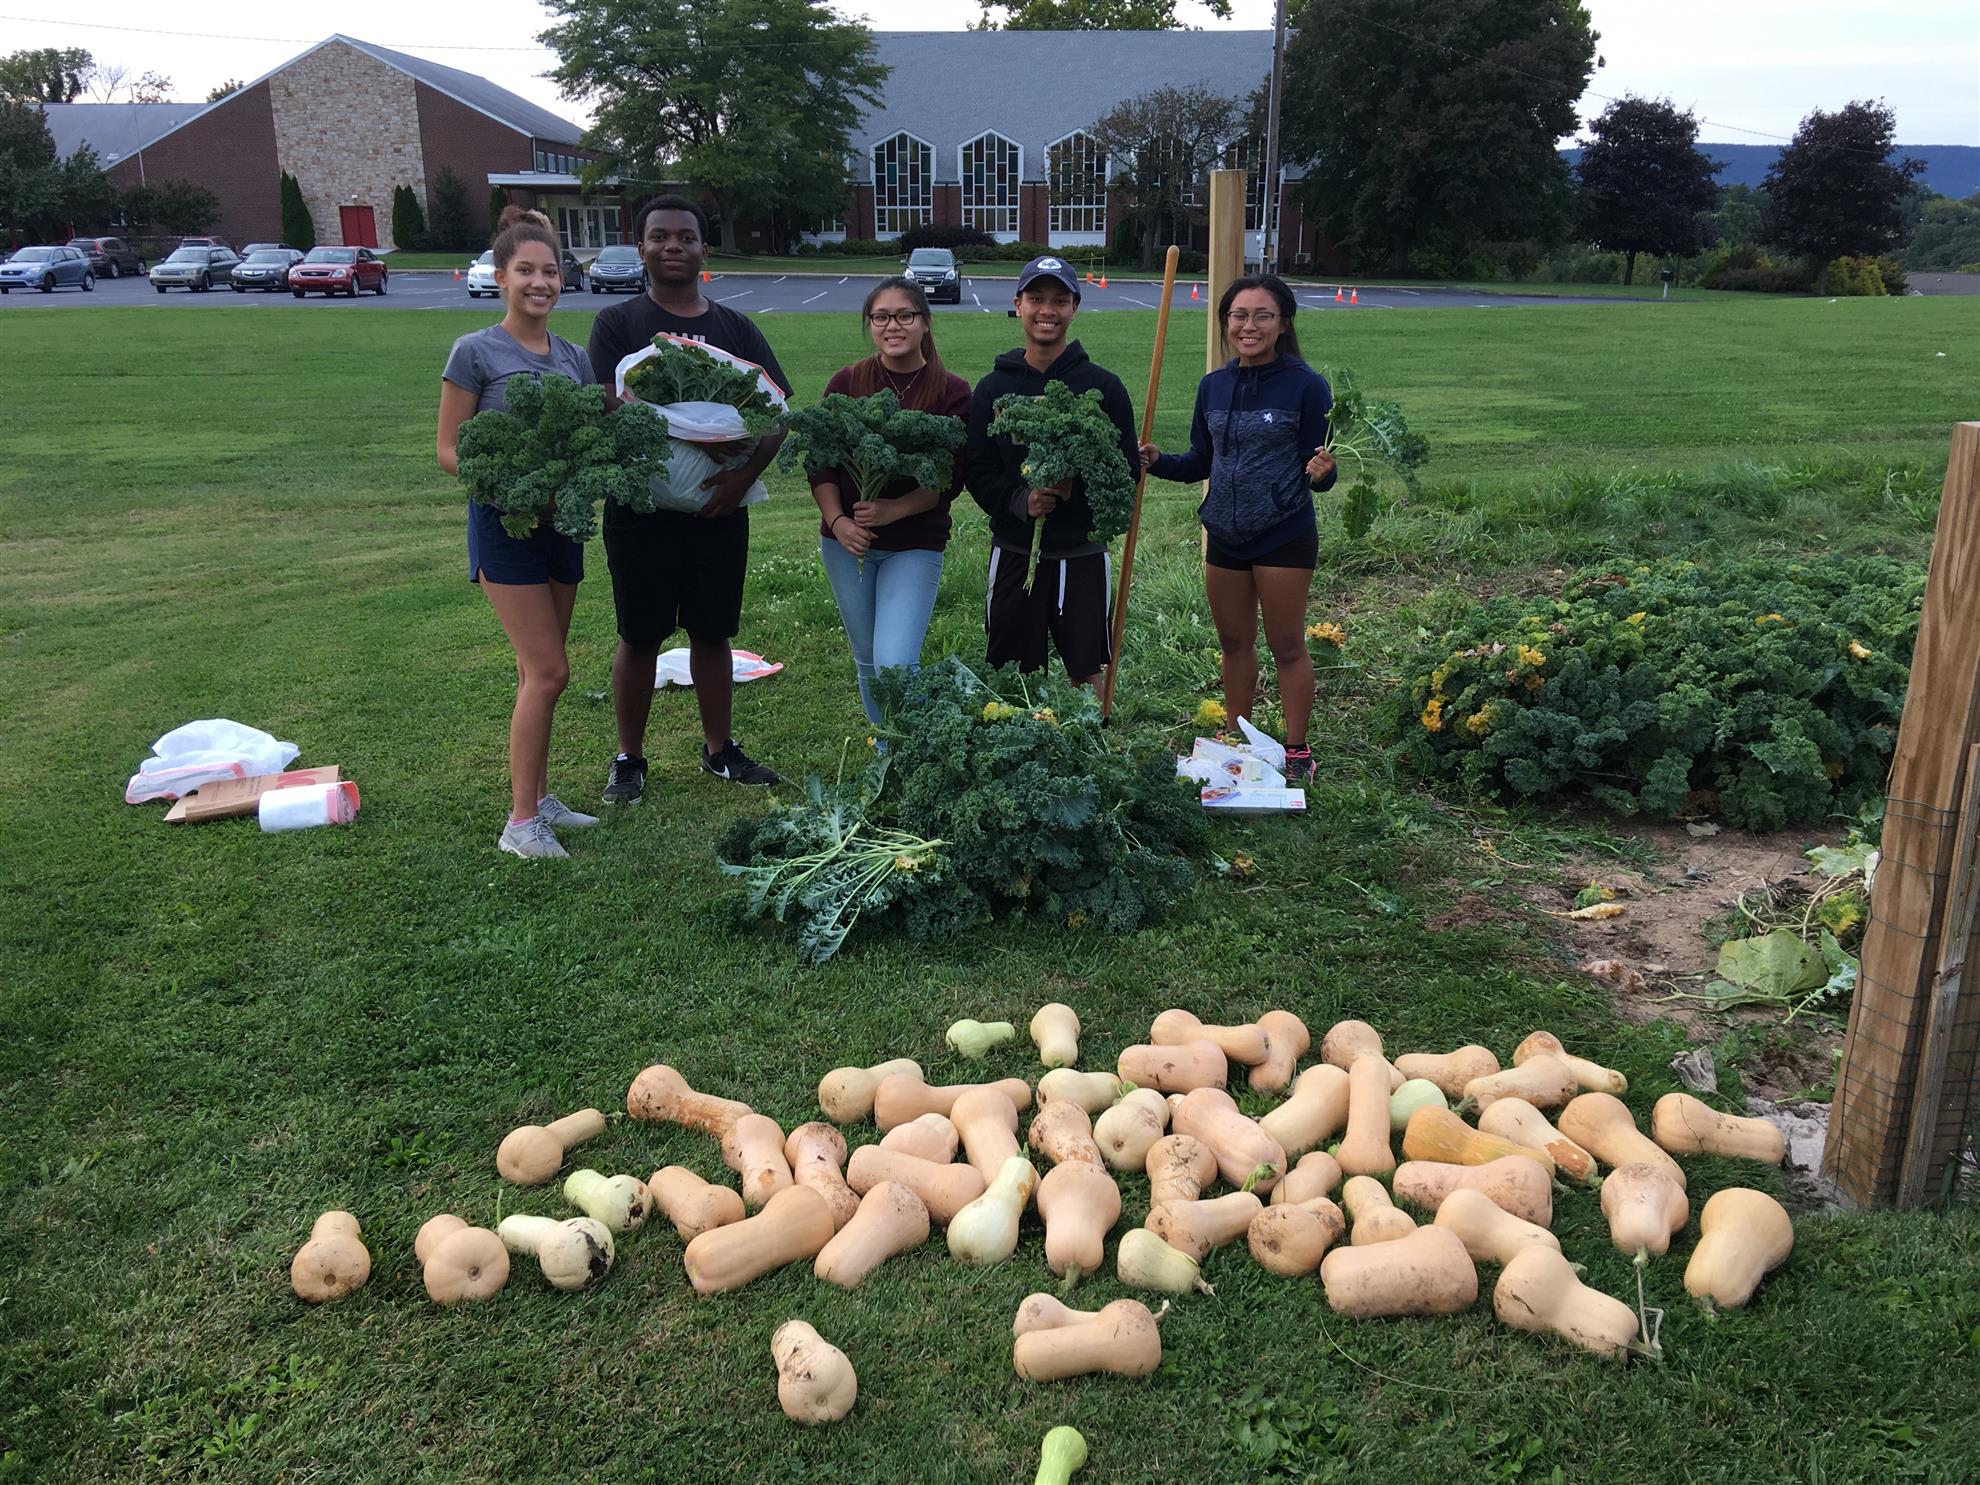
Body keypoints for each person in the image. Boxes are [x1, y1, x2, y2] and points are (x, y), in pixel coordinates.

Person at [586, 193, 793, 801]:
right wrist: (685, 437)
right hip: (640, 511)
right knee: (640, 635)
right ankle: (629, 757)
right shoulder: (617, 324)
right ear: (641, 245)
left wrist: (738, 477)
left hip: (718, 508)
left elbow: (776, 412)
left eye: (685, 236)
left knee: (712, 632)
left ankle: (719, 750)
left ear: (704, 249)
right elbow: (606, 403)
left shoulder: (734, 328)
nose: (672, 245)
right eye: (659, 236)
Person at [435, 206, 600, 859]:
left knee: (542, 671)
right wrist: (514, 487)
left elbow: (588, 441)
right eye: (525, 270)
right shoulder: (475, 352)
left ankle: (539, 794)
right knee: (548, 670)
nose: (540, 281)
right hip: (508, 527)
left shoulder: (574, 357)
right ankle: (520, 823)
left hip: (564, 525)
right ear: (499, 277)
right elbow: (449, 450)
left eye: (550, 270)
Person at [1138, 273, 1336, 782]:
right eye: (1238, 316)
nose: (1249, 326)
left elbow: (1318, 469)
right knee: (1233, 642)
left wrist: (1324, 474)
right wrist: (1158, 461)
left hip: (1283, 533)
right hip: (1224, 535)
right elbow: (1202, 461)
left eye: (1262, 315)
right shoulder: (1214, 385)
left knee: (1287, 644)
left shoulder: (1307, 386)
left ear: (1283, 323)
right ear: (1226, 322)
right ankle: (1237, 738)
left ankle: (1296, 749)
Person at [964, 255, 1140, 685]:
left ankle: (1091, 745)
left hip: (1081, 553)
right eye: (1037, 298)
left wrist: (1068, 491)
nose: (1048, 310)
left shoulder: (1104, 387)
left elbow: (1125, 471)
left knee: (1088, 671)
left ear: (1074, 308)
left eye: (1060, 300)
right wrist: (1021, 500)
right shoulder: (993, 388)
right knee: (1012, 675)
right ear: (1018, 304)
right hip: (1015, 549)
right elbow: (977, 467)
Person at [808, 278, 972, 727]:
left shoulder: (951, 392)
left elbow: (951, 477)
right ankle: (888, 746)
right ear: (871, 324)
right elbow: (819, 463)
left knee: (896, 663)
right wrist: (838, 521)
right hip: (846, 545)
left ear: (925, 323)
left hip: (914, 543)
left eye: (904, 315)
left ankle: (919, 748)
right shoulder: (847, 380)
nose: (892, 325)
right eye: (881, 317)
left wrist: (893, 510)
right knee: (868, 660)